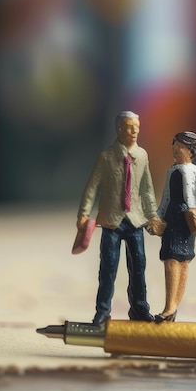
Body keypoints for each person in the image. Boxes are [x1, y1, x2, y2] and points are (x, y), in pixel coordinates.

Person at [76, 111, 163, 326]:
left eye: (137, 127)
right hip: (111, 221)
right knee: (108, 268)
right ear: (119, 129)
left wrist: (152, 215)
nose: (134, 132)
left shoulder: (142, 156)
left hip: (135, 221)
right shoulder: (106, 157)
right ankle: (103, 311)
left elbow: (147, 189)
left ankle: (140, 308)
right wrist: (84, 213)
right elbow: (92, 188)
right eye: (129, 127)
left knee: (139, 266)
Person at [151, 131, 196, 323]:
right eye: (174, 147)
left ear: (190, 150)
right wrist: (158, 216)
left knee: (183, 261)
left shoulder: (195, 171)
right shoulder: (171, 171)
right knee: (170, 259)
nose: (175, 150)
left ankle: (172, 307)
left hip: (188, 218)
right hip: (172, 217)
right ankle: (169, 307)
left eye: (179, 147)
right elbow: (166, 197)